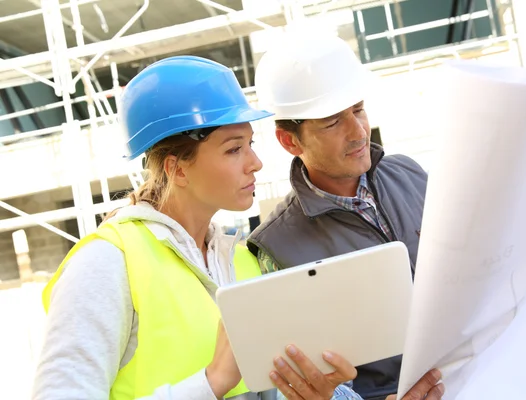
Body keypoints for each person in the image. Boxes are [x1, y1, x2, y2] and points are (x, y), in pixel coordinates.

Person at [32, 56, 357, 400]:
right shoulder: (108, 262)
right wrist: (211, 382)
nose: (255, 163)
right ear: (178, 169)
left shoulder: (243, 262)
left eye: (251, 144)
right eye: (234, 149)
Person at [247, 33, 444, 400]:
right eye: (333, 122)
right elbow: (311, 383)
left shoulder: (411, 175)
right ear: (290, 141)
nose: (358, 132)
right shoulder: (276, 247)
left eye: (358, 110)